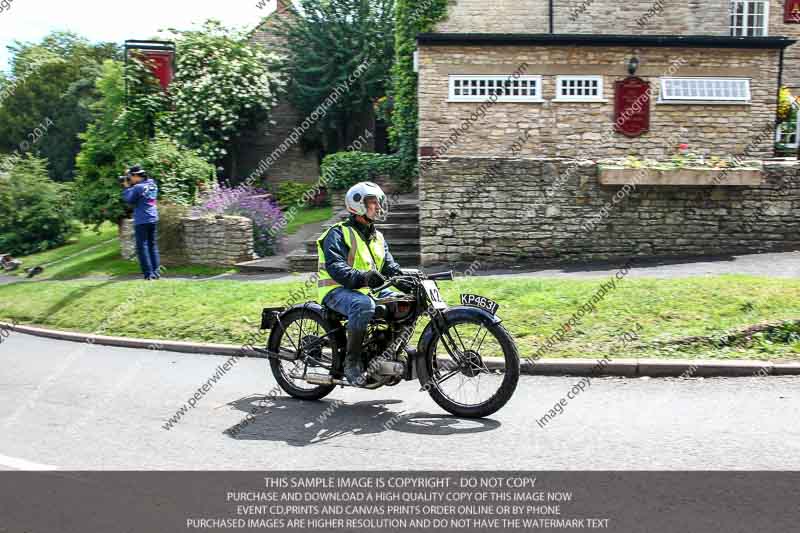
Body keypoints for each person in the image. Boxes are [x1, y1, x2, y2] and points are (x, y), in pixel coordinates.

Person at [317, 182, 413, 386]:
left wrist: (410, 283)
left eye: (378, 202)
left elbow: (390, 267)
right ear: (358, 205)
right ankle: (351, 363)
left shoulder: (377, 236)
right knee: (362, 305)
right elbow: (336, 268)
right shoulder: (337, 233)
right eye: (372, 202)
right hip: (336, 290)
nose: (378, 207)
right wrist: (364, 277)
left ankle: (386, 352)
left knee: (409, 303)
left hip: (367, 290)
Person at [121, 165, 161, 280]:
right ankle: (156, 272)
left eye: (130, 177)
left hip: (142, 220)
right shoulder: (152, 184)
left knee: (142, 247)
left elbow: (129, 200)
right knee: (152, 245)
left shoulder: (138, 187)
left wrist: (126, 188)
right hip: (153, 217)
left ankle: (148, 274)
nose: (130, 179)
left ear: (136, 176)